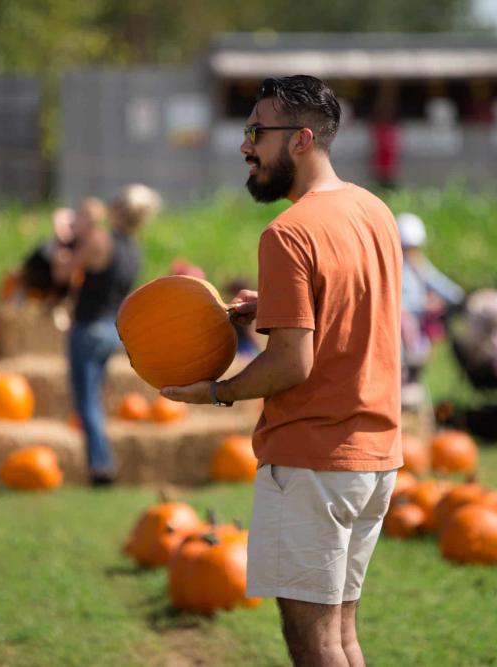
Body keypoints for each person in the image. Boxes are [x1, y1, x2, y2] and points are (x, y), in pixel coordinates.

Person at [163, 76, 402, 667]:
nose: (245, 147)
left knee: (313, 641)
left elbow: (294, 362)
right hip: (374, 459)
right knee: (342, 635)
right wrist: (267, 310)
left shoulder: (288, 232)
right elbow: (349, 312)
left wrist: (215, 392)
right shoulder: (373, 211)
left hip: (314, 460)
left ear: (299, 140)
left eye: (255, 133)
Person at [53, 185, 160, 486]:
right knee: (94, 401)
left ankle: (101, 467)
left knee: (85, 403)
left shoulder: (100, 240)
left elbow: (63, 273)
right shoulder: (133, 249)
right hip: (112, 329)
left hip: (88, 327)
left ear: (121, 210)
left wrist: (61, 240)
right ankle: (100, 463)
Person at [396, 212, 465, 384]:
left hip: (416, 329)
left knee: (414, 372)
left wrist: (458, 298)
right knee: (402, 369)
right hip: (401, 328)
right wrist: (423, 304)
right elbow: (396, 300)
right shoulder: (394, 266)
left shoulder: (418, 263)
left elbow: (438, 282)